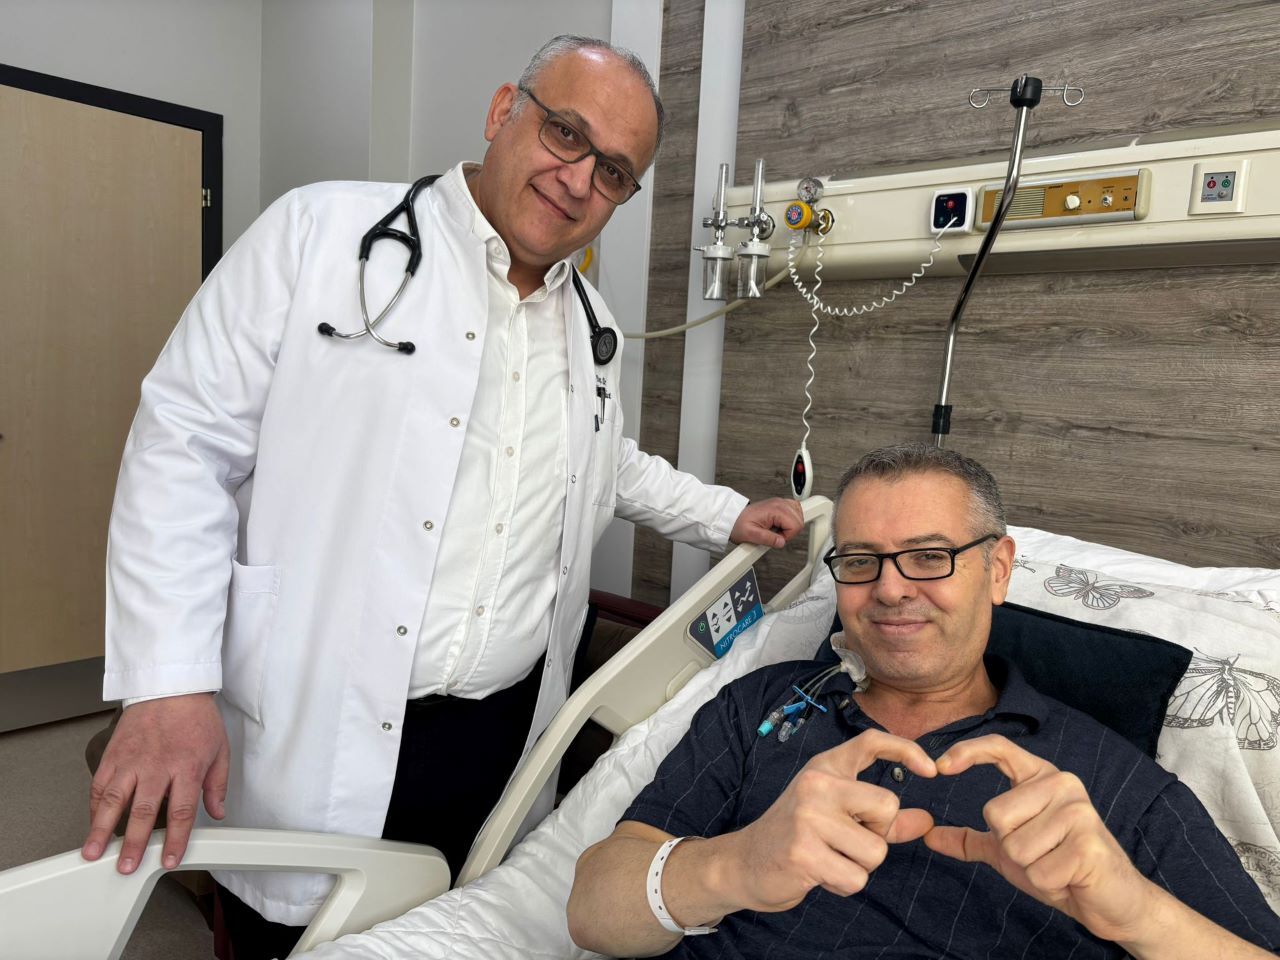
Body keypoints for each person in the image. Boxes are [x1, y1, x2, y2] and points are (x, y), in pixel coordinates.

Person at [83, 34, 803, 959]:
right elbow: (184, 446)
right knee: (293, 936)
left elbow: (602, 460)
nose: (579, 179)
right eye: (566, 133)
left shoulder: (592, 325)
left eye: (614, 171)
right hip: (322, 718)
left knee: (461, 932)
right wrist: (168, 682)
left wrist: (723, 514)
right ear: (504, 111)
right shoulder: (320, 235)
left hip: (500, 731)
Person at [568, 442, 1280, 958]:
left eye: (930, 557)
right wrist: (736, 866)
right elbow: (593, 912)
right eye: (860, 561)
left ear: (998, 571)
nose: (889, 588)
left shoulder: (1110, 786)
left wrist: (1134, 911)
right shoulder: (764, 708)